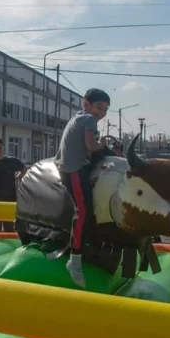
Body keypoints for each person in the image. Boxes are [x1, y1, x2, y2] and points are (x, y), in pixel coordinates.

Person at [53, 88, 110, 288]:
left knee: (83, 208)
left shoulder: (76, 118)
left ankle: (78, 246)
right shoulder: (89, 120)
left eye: (104, 110)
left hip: (66, 167)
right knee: (83, 210)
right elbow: (90, 145)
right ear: (86, 104)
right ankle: (74, 259)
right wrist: (101, 145)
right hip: (74, 170)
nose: (101, 113)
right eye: (99, 107)